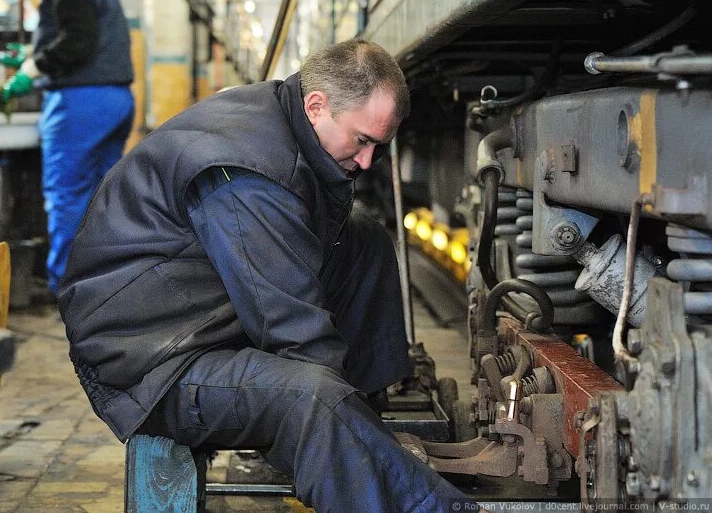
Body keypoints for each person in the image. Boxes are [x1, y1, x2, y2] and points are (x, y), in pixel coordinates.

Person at [58, 39, 480, 512]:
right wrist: (336, 413)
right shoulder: (252, 175)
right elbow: (292, 330)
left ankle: (364, 421)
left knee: (365, 242)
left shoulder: (283, 117)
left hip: (189, 316)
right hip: (147, 365)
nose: (366, 162)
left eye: (378, 147)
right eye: (362, 141)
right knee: (311, 396)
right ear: (317, 105)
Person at [0, 0, 134, 294]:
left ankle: (65, 286)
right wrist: (31, 54)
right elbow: (84, 38)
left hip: (80, 102)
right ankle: (106, 284)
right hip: (115, 99)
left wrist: (33, 69)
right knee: (103, 197)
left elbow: (77, 42)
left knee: (66, 196)